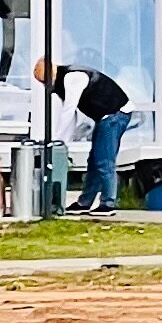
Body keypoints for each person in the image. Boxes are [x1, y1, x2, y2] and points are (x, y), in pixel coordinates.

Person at [62, 61, 130, 215]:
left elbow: (69, 110)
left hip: (114, 115)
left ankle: (108, 203)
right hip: (106, 117)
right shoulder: (70, 77)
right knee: (94, 161)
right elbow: (71, 113)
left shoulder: (72, 78)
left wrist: (61, 140)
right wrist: (63, 141)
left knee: (104, 160)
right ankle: (85, 202)